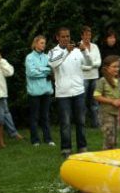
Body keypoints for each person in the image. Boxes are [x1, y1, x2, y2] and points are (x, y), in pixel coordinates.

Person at [48, 27, 93, 158]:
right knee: (65, 123)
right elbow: (52, 64)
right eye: (63, 36)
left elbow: (90, 64)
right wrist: (66, 52)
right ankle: (66, 149)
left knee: (81, 121)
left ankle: (82, 147)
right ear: (57, 37)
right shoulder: (52, 52)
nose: (66, 39)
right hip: (63, 94)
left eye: (68, 36)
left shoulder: (77, 51)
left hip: (78, 91)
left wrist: (85, 52)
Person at [25, 35, 54, 146]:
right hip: (34, 92)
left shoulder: (47, 57)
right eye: (41, 43)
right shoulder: (29, 57)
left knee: (45, 116)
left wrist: (41, 69)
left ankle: (48, 139)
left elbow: (51, 70)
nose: (44, 45)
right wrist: (45, 70)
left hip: (46, 91)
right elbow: (31, 73)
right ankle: (35, 140)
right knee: (34, 117)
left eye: (44, 43)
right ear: (36, 43)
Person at [94, 55, 120, 150]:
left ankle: (113, 155)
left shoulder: (119, 80)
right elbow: (96, 95)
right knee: (109, 137)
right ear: (107, 68)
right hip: (106, 114)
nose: (117, 69)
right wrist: (112, 101)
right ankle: (106, 155)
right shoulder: (102, 81)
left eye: (118, 66)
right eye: (114, 66)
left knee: (115, 137)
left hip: (116, 113)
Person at [80, 26, 102, 128]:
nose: (88, 37)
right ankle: (82, 123)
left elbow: (99, 62)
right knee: (82, 102)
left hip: (94, 77)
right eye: (86, 35)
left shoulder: (95, 46)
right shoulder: (78, 47)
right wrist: (90, 66)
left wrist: (90, 65)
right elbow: (79, 65)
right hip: (83, 77)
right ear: (82, 35)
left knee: (95, 101)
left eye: (89, 34)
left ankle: (95, 123)